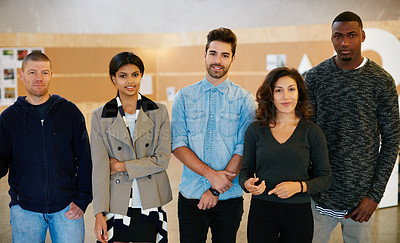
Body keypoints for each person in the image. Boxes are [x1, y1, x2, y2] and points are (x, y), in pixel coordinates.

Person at [304, 11, 400, 243]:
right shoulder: (314, 77)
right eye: (338, 36)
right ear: (332, 38)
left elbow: (391, 140)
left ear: (363, 36)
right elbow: (304, 136)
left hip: (361, 202)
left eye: (351, 35)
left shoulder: (381, 81)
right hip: (317, 196)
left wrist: (374, 196)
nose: (344, 42)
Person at [171, 27, 256, 243]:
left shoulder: (245, 100)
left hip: (229, 198)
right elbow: (178, 144)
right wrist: (211, 176)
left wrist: (216, 190)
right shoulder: (183, 97)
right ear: (205, 54)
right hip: (191, 196)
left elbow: (243, 148)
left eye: (225, 55)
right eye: (213, 53)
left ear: (232, 59)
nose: (218, 60)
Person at [0, 52, 92, 242]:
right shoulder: (9, 119)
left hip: (67, 208)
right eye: (32, 72)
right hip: (25, 210)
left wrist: (82, 200)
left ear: (51, 74)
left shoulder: (70, 113)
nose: (38, 78)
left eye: (44, 72)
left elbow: (84, 160)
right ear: (21, 74)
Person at [239, 67, 332, 243]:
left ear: (299, 93)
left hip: (299, 214)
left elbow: (325, 178)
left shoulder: (312, 132)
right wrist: (247, 183)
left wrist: (299, 187)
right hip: (262, 212)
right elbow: (245, 171)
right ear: (270, 95)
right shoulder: (255, 130)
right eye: (278, 90)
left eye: (291, 89)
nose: (286, 96)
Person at [91, 52, 172, 243]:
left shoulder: (158, 111)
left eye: (135, 75)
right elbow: (100, 169)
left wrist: (121, 166)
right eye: (122, 75)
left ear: (141, 76)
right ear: (113, 78)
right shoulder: (99, 116)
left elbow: (162, 159)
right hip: (115, 203)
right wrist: (98, 214)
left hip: (150, 201)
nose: (130, 81)